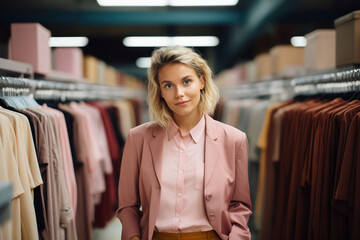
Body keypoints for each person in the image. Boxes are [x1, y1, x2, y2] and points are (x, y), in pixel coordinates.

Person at [116, 46, 252, 240]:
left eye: (187, 81)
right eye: (168, 85)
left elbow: (240, 205)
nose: (179, 93)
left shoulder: (234, 139)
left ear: (202, 82)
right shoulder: (138, 138)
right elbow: (127, 205)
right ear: (160, 91)